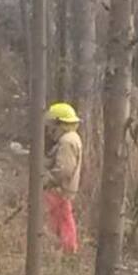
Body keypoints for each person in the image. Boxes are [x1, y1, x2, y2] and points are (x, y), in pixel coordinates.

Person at [44, 102, 82, 254]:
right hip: (63, 188)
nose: (50, 129)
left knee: (62, 220)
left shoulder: (67, 141)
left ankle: (67, 251)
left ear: (59, 123)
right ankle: (64, 250)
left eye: (52, 124)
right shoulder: (71, 138)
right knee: (62, 219)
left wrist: (47, 180)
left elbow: (63, 170)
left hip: (60, 189)